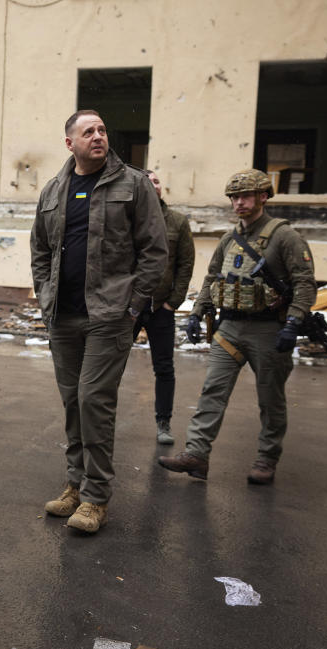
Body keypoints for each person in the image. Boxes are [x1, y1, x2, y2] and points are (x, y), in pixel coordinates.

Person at [30, 110, 167, 534]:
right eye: (88, 131)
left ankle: (95, 496)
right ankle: (75, 482)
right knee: (73, 403)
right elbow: (39, 249)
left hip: (109, 316)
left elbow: (155, 250)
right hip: (63, 316)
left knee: (94, 401)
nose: (98, 136)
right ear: (69, 142)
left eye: (103, 130)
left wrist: (134, 306)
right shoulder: (54, 189)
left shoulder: (134, 184)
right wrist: (44, 295)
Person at [158, 169, 316, 485]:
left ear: (263, 196)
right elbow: (212, 278)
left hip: (268, 329)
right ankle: (197, 455)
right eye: (234, 197)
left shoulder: (285, 236)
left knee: (270, 399)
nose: (238, 203)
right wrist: (196, 312)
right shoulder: (230, 238)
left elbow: (305, 283)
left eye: (245, 196)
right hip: (229, 327)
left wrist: (294, 321)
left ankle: (266, 459)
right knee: (212, 392)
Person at [132, 171, 195, 445]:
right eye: (146, 182)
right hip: (129, 307)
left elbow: (185, 265)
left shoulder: (178, 222)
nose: (152, 185)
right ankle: (102, 421)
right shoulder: (127, 219)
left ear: (161, 187)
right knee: (110, 364)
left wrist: (173, 302)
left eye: (155, 181)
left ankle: (163, 423)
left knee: (164, 368)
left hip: (161, 308)